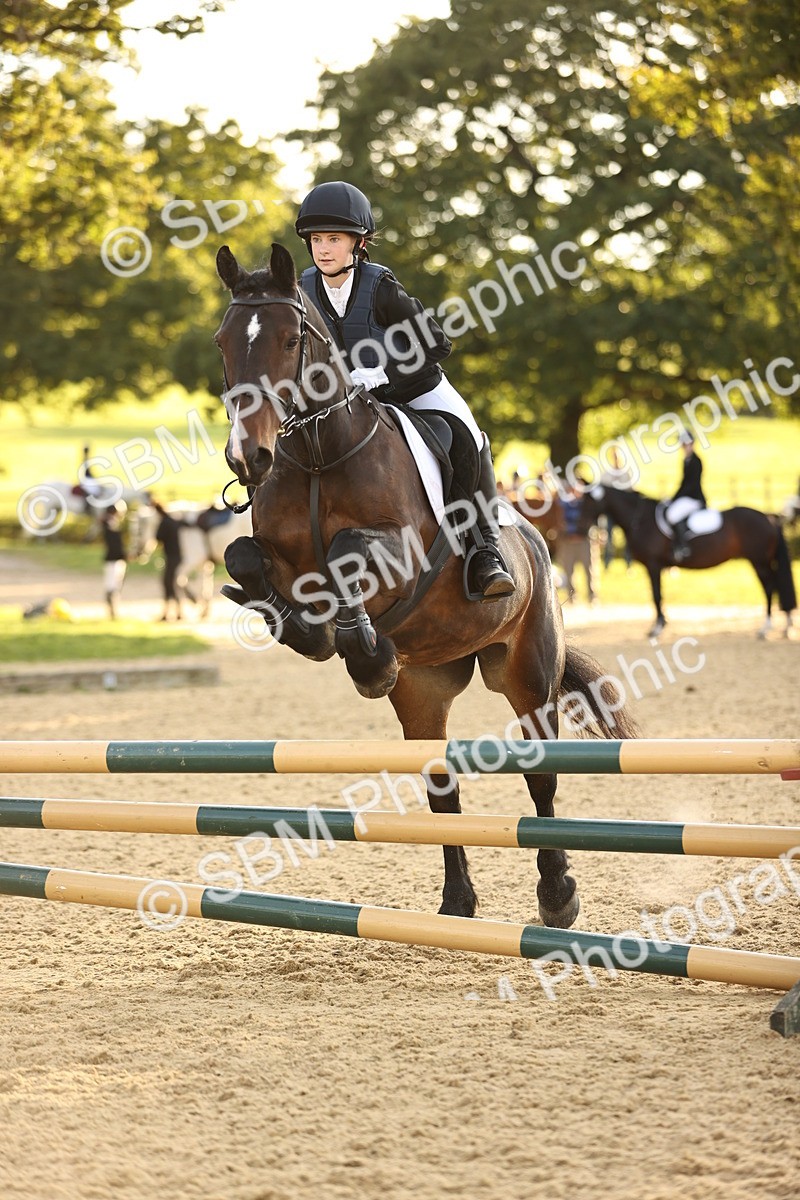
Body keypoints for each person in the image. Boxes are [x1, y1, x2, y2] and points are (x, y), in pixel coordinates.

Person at [294, 180, 514, 601]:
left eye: (334, 239)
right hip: (351, 402)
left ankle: (486, 551)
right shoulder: (304, 290)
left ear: (358, 243)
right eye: (317, 239)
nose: (323, 249)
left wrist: (382, 373)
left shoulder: (381, 287)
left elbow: (437, 343)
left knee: (467, 436)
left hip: (415, 388)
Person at [666, 431, 706, 562]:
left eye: (686, 444)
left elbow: (691, 485)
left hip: (694, 498)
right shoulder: (686, 461)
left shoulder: (696, 461)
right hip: (686, 497)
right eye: (683, 444)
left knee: (673, 515)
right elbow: (683, 483)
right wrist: (672, 498)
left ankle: (683, 546)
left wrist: (676, 499)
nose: (684, 447)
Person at [556, 481, 596, 605]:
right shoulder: (563, 504)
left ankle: (592, 596)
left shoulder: (584, 505)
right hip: (568, 542)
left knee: (589, 570)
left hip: (583, 541)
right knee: (568, 571)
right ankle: (572, 597)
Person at [151, 500, 187, 622]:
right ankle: (176, 611)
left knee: (168, 584)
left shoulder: (164, 523)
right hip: (177, 556)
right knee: (172, 583)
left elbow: (158, 537)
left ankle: (171, 612)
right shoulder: (173, 521)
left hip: (171, 556)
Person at [600, 446, 634, 570]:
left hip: (624, 513)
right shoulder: (607, 475)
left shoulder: (626, 474)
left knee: (628, 538)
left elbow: (630, 492)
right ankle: (607, 562)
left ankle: (629, 563)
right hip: (611, 513)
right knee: (608, 537)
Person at [100, 503, 127, 620]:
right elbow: (115, 544)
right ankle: (112, 612)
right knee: (111, 586)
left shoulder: (113, 524)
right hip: (113, 558)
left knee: (116, 585)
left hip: (117, 558)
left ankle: (114, 610)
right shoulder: (109, 524)